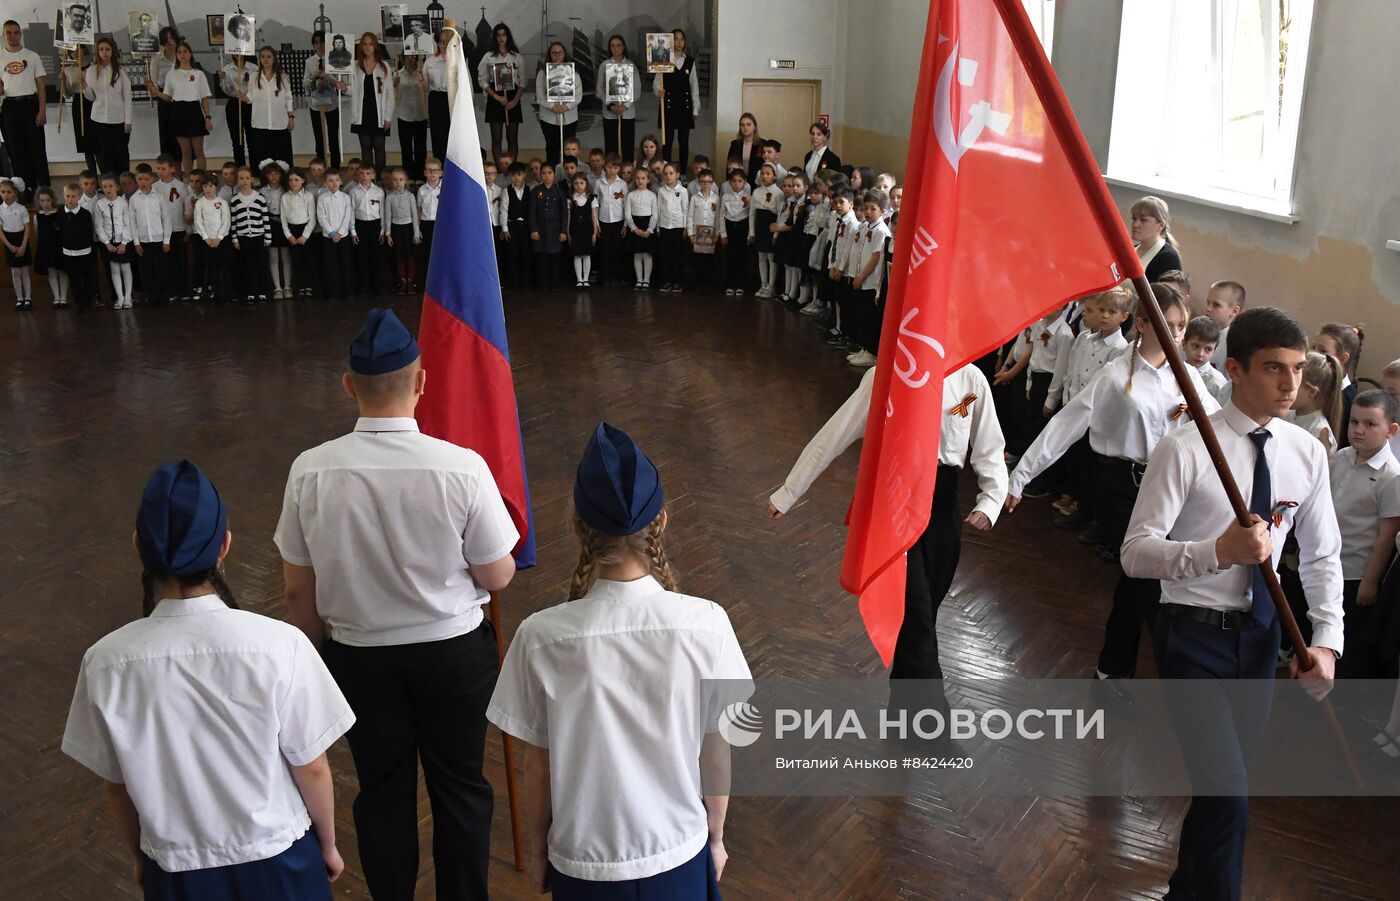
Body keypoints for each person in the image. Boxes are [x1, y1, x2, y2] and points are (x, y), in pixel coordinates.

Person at [276, 308, 518, 901]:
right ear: (422, 382)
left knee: (381, 792)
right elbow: (498, 575)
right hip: (455, 657)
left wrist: (310, 666)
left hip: (360, 660)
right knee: (460, 787)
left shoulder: (310, 471)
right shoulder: (462, 468)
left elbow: (295, 593)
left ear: (349, 386)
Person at [1121, 306, 1342, 901]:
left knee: (1225, 789)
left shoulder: (1307, 453)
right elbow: (1136, 553)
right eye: (1275, 369)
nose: (1291, 383)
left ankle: (1187, 890)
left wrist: (1325, 642)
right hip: (1191, 635)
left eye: (1297, 370)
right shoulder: (1187, 448)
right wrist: (1214, 551)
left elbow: (1322, 556)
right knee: (1227, 792)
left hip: (1262, 642)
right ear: (1236, 369)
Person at [63, 460, 354, 899]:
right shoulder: (280, 644)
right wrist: (328, 845)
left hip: (177, 872)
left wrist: (141, 861)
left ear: (139, 545)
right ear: (225, 546)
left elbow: (116, 787)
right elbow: (311, 766)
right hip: (280, 862)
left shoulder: (105, 661)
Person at [488, 422, 749, 896]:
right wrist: (715, 836)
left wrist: (540, 852)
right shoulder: (707, 624)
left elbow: (538, 769)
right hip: (679, 851)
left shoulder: (539, 637)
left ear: (576, 529)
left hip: (583, 864)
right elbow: (717, 749)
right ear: (663, 521)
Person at [1007, 286, 1218, 712]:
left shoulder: (1188, 377)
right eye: (1167, 325)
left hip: (1169, 487)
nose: (1176, 334)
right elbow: (1067, 425)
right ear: (1141, 324)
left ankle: (1110, 669)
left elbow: (1218, 428)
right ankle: (1180, 681)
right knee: (1150, 579)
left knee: (1137, 582)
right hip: (1120, 485)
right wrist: (1020, 476)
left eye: (1181, 326)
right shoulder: (1115, 374)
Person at [770, 363, 1006, 716]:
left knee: (922, 617)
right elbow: (834, 435)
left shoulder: (971, 379)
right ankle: (930, 727)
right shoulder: (885, 376)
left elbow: (990, 446)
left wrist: (991, 499)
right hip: (895, 507)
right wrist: (790, 491)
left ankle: (902, 712)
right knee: (918, 618)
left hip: (943, 508)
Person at [1329, 390, 1400, 679]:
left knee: (1351, 640)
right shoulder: (1342, 457)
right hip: (1328, 564)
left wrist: (1370, 581)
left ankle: (1342, 700)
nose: (1358, 430)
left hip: (1356, 573)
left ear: (1391, 430)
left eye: (1370, 424)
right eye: (1354, 422)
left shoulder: (1391, 476)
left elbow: (1387, 535)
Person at [0, 21, 51, 201]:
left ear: (20, 34)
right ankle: (26, 190)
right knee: (16, 151)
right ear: (3, 34)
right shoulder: (0, 57)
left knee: (37, 149)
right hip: (9, 107)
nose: (13, 36)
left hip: (30, 104)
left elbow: (41, 86)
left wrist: (42, 110)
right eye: (9, 33)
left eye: (16, 32)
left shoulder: (32, 56)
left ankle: (44, 191)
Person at [150, 42, 211, 173]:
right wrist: (157, 92)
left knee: (199, 150)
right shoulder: (171, 74)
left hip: (194, 110)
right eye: (179, 52)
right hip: (178, 112)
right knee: (186, 151)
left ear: (190, 54)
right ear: (176, 55)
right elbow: (168, 97)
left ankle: (202, 179)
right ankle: (189, 181)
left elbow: (204, 97)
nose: (182, 54)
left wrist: (207, 117)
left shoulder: (198, 74)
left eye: (185, 51)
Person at [82, 37, 133, 176]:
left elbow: (127, 98)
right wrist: (85, 86)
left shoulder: (120, 72)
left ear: (113, 51)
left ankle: (122, 183)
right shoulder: (92, 71)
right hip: (98, 119)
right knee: (104, 154)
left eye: (107, 49)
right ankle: (108, 184)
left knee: (120, 153)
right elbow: (91, 97)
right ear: (97, 52)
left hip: (118, 119)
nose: (104, 52)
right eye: (101, 49)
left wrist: (128, 121)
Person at [243, 47, 295, 178]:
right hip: (260, 124)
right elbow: (250, 98)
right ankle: (265, 185)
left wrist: (291, 117)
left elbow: (288, 98)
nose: (265, 59)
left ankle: (283, 183)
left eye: (269, 56)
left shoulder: (283, 76)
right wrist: (243, 97)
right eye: (263, 57)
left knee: (281, 157)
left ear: (274, 58)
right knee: (263, 157)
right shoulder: (254, 76)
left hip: (279, 123)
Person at [349, 33, 395, 174]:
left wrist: (388, 117)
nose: (367, 47)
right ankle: (368, 181)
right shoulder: (355, 66)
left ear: (375, 46)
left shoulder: (384, 66)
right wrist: (343, 87)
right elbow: (351, 90)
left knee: (379, 146)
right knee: (365, 147)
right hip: (362, 113)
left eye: (370, 44)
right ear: (361, 47)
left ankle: (381, 181)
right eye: (365, 44)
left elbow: (389, 94)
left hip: (379, 113)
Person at [653, 29, 699, 168]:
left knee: (684, 141)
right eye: (675, 39)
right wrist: (658, 91)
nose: (679, 42)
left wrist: (695, 110)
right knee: (667, 141)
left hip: (685, 106)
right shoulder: (664, 59)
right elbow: (656, 83)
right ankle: (667, 170)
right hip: (668, 106)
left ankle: (683, 172)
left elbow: (694, 86)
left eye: (681, 39)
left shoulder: (690, 61)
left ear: (684, 41)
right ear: (670, 42)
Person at [478, 23, 523, 163]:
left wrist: (515, 101)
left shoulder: (516, 57)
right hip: (495, 97)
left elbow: (523, 81)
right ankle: (498, 169)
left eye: (504, 34)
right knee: (496, 138)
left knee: (512, 137)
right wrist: (496, 96)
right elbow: (482, 79)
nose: (501, 38)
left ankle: (512, 168)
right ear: (495, 37)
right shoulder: (488, 57)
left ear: (508, 36)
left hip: (512, 96)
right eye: (498, 35)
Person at [1314, 322, 1365, 449]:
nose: (1313, 354)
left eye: (1322, 351)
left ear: (1343, 358)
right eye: (1313, 348)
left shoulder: (1350, 400)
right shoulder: (1312, 387)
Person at [129, 163, 173, 305]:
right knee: (146, 271)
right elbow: (132, 223)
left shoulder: (159, 197)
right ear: (136, 180)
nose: (143, 182)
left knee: (162, 269)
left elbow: (166, 219)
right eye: (140, 179)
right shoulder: (134, 199)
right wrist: (136, 242)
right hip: (143, 242)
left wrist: (166, 240)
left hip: (159, 240)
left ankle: (163, 296)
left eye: (146, 179)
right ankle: (151, 296)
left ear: (152, 179)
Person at [230, 165, 272, 303]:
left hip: (259, 237)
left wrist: (267, 236)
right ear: (237, 180)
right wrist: (235, 238)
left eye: (247, 178)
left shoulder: (259, 197)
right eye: (241, 178)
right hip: (244, 238)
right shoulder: (235, 199)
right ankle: (251, 292)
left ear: (252, 180)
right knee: (248, 266)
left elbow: (265, 218)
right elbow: (234, 221)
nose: (244, 181)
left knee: (261, 265)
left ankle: (262, 292)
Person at [305, 32, 346, 168]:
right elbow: (305, 84)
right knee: (319, 139)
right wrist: (313, 78)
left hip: (332, 105)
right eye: (316, 43)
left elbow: (340, 83)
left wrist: (327, 76)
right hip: (316, 106)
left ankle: (335, 169)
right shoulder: (309, 62)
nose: (319, 45)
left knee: (333, 139)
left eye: (322, 42)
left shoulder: (334, 60)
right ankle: (320, 168)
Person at [535, 42, 580, 167]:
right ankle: (553, 177)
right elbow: (540, 95)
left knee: (569, 150)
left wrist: (566, 107)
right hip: (549, 118)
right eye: (554, 53)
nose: (557, 55)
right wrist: (553, 107)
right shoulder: (542, 73)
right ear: (550, 55)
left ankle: (570, 176)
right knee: (552, 148)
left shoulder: (573, 72)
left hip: (569, 118)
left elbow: (578, 95)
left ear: (564, 54)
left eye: (560, 52)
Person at [1290, 351, 1343, 454]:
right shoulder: (1288, 415)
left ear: (1312, 392)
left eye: (1295, 384)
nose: (1287, 388)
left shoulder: (1319, 431)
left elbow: (1319, 469)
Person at [94, 173, 134, 308]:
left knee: (126, 269)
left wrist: (124, 242)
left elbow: (128, 224)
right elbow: (99, 226)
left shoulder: (123, 203)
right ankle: (120, 297)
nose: (108, 189)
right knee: (114, 270)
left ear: (117, 187)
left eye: (111, 186)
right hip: (109, 244)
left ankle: (128, 297)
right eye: (104, 186)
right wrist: (106, 243)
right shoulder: (100, 204)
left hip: (123, 241)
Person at [192, 173, 232, 303]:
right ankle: (215, 293)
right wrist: (206, 238)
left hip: (221, 241)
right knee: (212, 267)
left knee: (224, 267)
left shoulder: (222, 202)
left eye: (210, 186)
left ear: (216, 187)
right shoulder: (200, 203)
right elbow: (198, 222)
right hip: (207, 241)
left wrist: (219, 238)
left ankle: (226, 292)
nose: (208, 189)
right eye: (205, 186)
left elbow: (226, 221)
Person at [597, 35, 639, 159]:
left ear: (623, 47)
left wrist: (625, 106)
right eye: (613, 46)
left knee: (628, 145)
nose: (616, 48)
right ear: (609, 48)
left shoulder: (631, 66)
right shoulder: (604, 65)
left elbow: (636, 90)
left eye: (618, 45)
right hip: (609, 113)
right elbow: (599, 90)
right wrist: (611, 106)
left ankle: (627, 174)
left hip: (628, 113)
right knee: (611, 146)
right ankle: (611, 174)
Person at [59, 182, 99, 311]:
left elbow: (89, 232)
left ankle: (88, 301)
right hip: (68, 252)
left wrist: (88, 247)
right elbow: (60, 232)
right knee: (74, 279)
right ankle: (78, 302)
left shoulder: (85, 214)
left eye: (73, 196)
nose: (70, 199)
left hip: (84, 251)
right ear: (64, 196)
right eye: (68, 196)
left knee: (86, 277)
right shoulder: (60, 214)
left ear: (78, 197)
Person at [528, 161, 568, 289]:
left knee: (555, 258)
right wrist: (533, 229)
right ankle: (541, 283)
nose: (547, 176)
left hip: (555, 230)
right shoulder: (535, 191)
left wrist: (563, 231)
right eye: (544, 173)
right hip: (540, 230)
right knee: (541, 258)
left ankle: (554, 283)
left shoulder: (560, 192)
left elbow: (564, 213)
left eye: (549, 173)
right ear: (540, 175)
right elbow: (531, 212)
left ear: (554, 174)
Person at [314, 168, 352, 300]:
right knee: (330, 266)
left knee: (345, 264)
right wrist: (331, 232)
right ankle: (332, 293)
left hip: (343, 236)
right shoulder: (322, 198)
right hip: (328, 237)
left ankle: (346, 292)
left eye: (336, 180)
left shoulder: (345, 198)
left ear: (341, 181)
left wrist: (340, 233)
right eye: (330, 181)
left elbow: (347, 216)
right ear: (325, 183)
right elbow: (321, 217)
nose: (334, 183)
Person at [748, 164, 784, 299]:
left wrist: (776, 233)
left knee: (771, 257)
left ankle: (771, 285)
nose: (764, 176)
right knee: (761, 256)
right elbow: (752, 213)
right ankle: (763, 284)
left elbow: (781, 214)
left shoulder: (779, 193)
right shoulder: (756, 192)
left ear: (774, 175)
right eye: (762, 173)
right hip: (760, 225)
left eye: (768, 173)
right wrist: (751, 232)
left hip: (771, 225)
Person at [382, 166, 420, 294]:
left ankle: (410, 282)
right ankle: (402, 282)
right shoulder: (389, 197)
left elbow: (415, 215)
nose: (398, 182)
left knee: (410, 256)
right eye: (395, 180)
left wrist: (416, 233)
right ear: (391, 181)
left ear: (406, 181)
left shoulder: (410, 196)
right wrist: (388, 234)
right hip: (396, 230)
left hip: (408, 229)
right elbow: (388, 216)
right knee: (399, 257)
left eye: (401, 179)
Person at [348, 164, 385, 295]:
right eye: (362, 173)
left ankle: (378, 286)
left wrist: (382, 231)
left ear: (373, 175)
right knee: (362, 257)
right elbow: (351, 211)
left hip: (375, 225)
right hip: (360, 225)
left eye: (368, 173)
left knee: (376, 257)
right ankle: (364, 286)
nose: (365, 176)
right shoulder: (353, 191)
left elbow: (383, 212)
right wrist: (353, 231)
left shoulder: (379, 192)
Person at [1129, 195, 1182, 284]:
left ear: (1161, 225)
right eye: (1134, 218)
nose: (1135, 224)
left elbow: (1166, 296)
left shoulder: (1168, 258)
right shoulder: (1131, 251)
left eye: (1143, 220)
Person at [281, 167, 316, 298]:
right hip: (292, 231)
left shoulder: (308, 196)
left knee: (308, 260)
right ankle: (300, 286)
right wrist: (288, 235)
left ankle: (309, 286)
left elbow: (312, 218)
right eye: (290, 180)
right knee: (296, 261)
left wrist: (305, 236)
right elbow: (283, 218)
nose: (293, 183)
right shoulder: (285, 197)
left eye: (296, 180)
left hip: (305, 231)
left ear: (303, 180)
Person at [151, 27, 183, 170]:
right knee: (166, 136)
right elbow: (153, 82)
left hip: (181, 98)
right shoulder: (156, 59)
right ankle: (167, 170)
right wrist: (153, 91)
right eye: (166, 38)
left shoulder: (182, 55)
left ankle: (181, 170)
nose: (169, 41)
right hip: (164, 99)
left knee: (181, 137)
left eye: (172, 38)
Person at [654, 162, 688, 293]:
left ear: (677, 175)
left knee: (677, 255)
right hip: (664, 226)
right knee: (665, 255)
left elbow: (685, 209)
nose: (668, 176)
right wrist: (658, 227)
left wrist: (685, 227)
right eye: (666, 173)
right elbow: (658, 209)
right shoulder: (661, 191)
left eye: (671, 173)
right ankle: (666, 281)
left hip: (678, 227)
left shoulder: (683, 191)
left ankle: (677, 282)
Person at [394, 54, 428, 181]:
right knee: (406, 148)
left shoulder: (422, 73)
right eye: (409, 57)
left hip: (420, 115)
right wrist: (394, 84)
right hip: (404, 115)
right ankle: (407, 176)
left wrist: (423, 82)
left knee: (421, 149)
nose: (412, 59)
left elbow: (427, 90)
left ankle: (420, 176)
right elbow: (394, 96)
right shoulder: (398, 74)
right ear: (403, 58)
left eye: (414, 57)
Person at [720, 168, 752, 296]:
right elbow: (721, 216)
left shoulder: (749, 197)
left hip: (743, 227)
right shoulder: (725, 197)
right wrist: (723, 234)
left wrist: (750, 234)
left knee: (741, 256)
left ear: (744, 182)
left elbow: (751, 216)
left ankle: (740, 284)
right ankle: (730, 283)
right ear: (730, 182)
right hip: (729, 227)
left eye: (740, 181)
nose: (737, 184)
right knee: (730, 257)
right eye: (734, 181)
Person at [1, 178, 32, 310]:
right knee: (15, 272)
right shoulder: (0, 209)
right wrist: (9, 245)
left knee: (25, 271)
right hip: (9, 240)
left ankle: (28, 298)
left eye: (8, 192)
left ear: (15, 193)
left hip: (21, 239)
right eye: (2, 192)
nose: (5, 195)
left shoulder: (21, 209)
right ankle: (19, 298)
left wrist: (23, 245)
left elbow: (27, 228)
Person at [1203, 280, 1247, 369]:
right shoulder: (1195, 330)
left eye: (1216, 305)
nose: (1208, 308)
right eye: (1208, 302)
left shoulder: (1234, 346)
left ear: (1234, 311)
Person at [423, 31, 452, 163]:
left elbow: (467, 85)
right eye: (441, 42)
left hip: (453, 100)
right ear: (437, 43)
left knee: (453, 137)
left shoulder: (458, 61)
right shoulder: (430, 62)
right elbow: (425, 88)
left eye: (447, 42)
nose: (444, 45)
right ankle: (439, 169)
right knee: (438, 135)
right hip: (436, 100)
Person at [566, 171, 597, 288]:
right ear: (572, 185)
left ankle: (586, 279)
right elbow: (568, 217)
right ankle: (579, 279)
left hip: (587, 229)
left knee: (587, 255)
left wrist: (594, 232)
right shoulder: (570, 199)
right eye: (576, 183)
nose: (579, 185)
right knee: (577, 255)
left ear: (586, 184)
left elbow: (594, 216)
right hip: (575, 230)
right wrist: (568, 232)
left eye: (581, 183)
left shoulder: (592, 198)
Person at [725, 113, 763, 187]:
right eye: (742, 125)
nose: (745, 127)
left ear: (755, 127)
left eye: (748, 125)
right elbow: (729, 164)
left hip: (756, 182)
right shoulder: (735, 144)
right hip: (737, 182)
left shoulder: (762, 144)